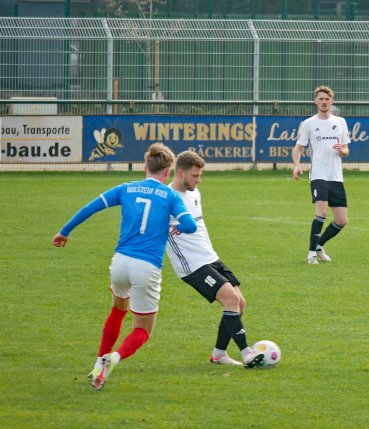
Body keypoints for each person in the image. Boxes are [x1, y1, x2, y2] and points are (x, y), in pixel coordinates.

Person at [52, 143, 197, 390]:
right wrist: (178, 226)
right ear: (168, 172)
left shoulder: (125, 189)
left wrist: (65, 232)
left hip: (120, 263)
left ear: (145, 168)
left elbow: (90, 208)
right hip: (147, 267)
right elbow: (190, 225)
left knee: (119, 309)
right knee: (142, 330)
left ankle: (99, 362)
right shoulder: (171, 195)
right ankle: (114, 358)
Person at [166, 150, 264, 368]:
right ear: (180, 172)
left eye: (200, 176)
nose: (198, 180)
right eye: (194, 176)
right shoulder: (167, 198)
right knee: (230, 299)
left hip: (210, 257)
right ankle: (247, 353)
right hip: (191, 265)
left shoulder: (195, 193)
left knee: (239, 303)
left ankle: (218, 354)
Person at [292, 85, 351, 264]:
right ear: (315, 101)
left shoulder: (340, 122)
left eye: (327, 99)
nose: (324, 102)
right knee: (322, 212)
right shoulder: (309, 123)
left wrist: (343, 150)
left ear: (331, 101)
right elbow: (298, 148)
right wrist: (296, 166)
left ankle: (318, 246)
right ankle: (311, 255)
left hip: (336, 176)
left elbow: (347, 150)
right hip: (318, 174)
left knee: (341, 221)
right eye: (321, 99)